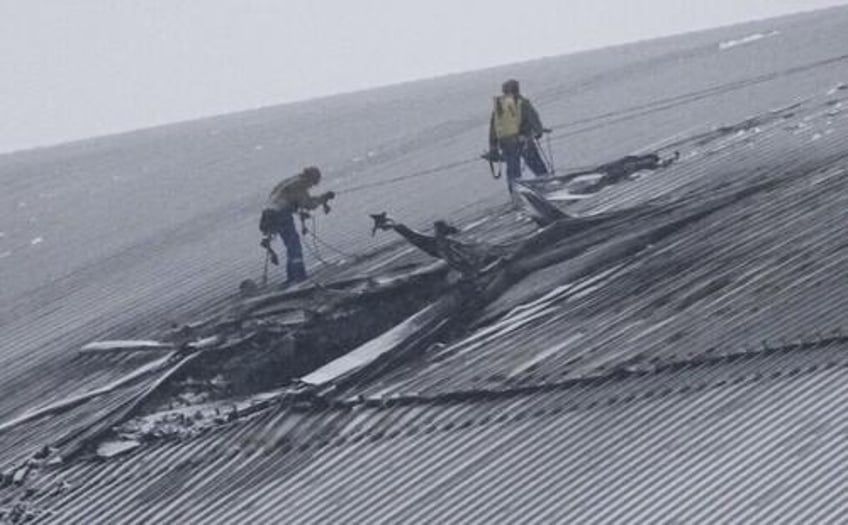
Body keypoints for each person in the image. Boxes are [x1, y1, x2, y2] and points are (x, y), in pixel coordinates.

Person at [259, 166, 334, 285]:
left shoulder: (290, 181)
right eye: (314, 182)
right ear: (311, 178)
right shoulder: (300, 185)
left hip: (268, 215)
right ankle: (299, 277)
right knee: (294, 246)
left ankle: (291, 277)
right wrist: (324, 198)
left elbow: (294, 199)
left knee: (291, 245)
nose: (312, 186)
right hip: (280, 214)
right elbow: (308, 204)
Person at [488, 79, 549, 194]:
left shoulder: (499, 106)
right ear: (517, 89)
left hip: (506, 144)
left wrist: (493, 147)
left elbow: (493, 128)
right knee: (538, 167)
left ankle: (515, 195)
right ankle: (547, 188)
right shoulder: (523, 102)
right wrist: (538, 132)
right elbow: (533, 118)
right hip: (524, 141)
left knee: (513, 172)